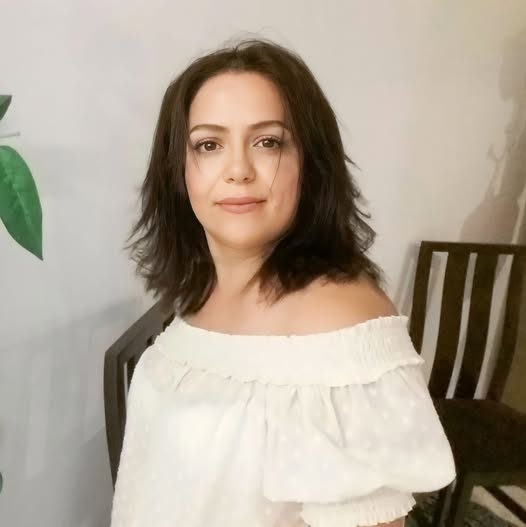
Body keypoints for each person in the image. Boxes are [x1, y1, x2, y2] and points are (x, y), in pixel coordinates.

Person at [110, 38, 456, 527]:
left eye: (268, 142)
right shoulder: (199, 290)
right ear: (179, 170)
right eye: (209, 145)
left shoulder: (341, 327)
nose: (238, 171)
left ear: (309, 164)